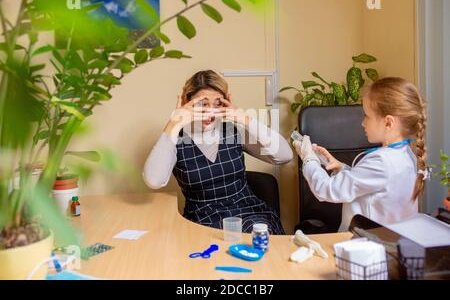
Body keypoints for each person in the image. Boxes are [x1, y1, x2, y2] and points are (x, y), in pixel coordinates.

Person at [143, 70, 293, 234]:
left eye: (217, 104)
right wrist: (174, 124)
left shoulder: (233, 132)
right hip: (203, 220)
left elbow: (285, 156)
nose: (211, 112)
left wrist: (245, 119)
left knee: (256, 239)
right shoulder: (175, 138)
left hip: (248, 213)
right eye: (203, 104)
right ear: (187, 101)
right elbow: (154, 180)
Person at [294, 77, 429, 231]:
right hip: (391, 242)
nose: (362, 123)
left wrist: (309, 159)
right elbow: (373, 186)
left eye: (367, 116)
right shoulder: (406, 154)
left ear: (388, 123)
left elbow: (326, 189)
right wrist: (342, 169)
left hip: (367, 246)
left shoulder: (382, 162)